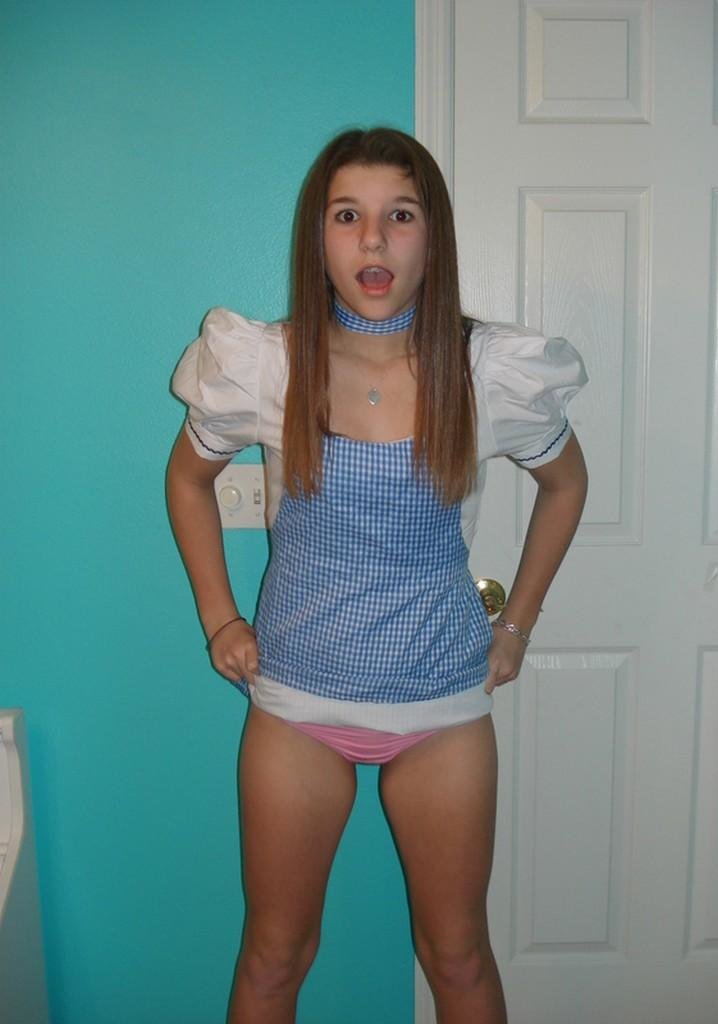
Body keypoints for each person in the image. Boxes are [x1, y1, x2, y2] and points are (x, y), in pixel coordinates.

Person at [167, 127, 587, 1024]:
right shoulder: (269, 365)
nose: (372, 239)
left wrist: (515, 627)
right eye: (346, 215)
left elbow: (567, 485)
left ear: (432, 235)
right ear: (317, 236)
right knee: (273, 958)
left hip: (441, 709)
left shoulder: (485, 371)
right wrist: (219, 618)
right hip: (297, 706)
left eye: (400, 215)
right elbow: (187, 479)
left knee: (458, 957)